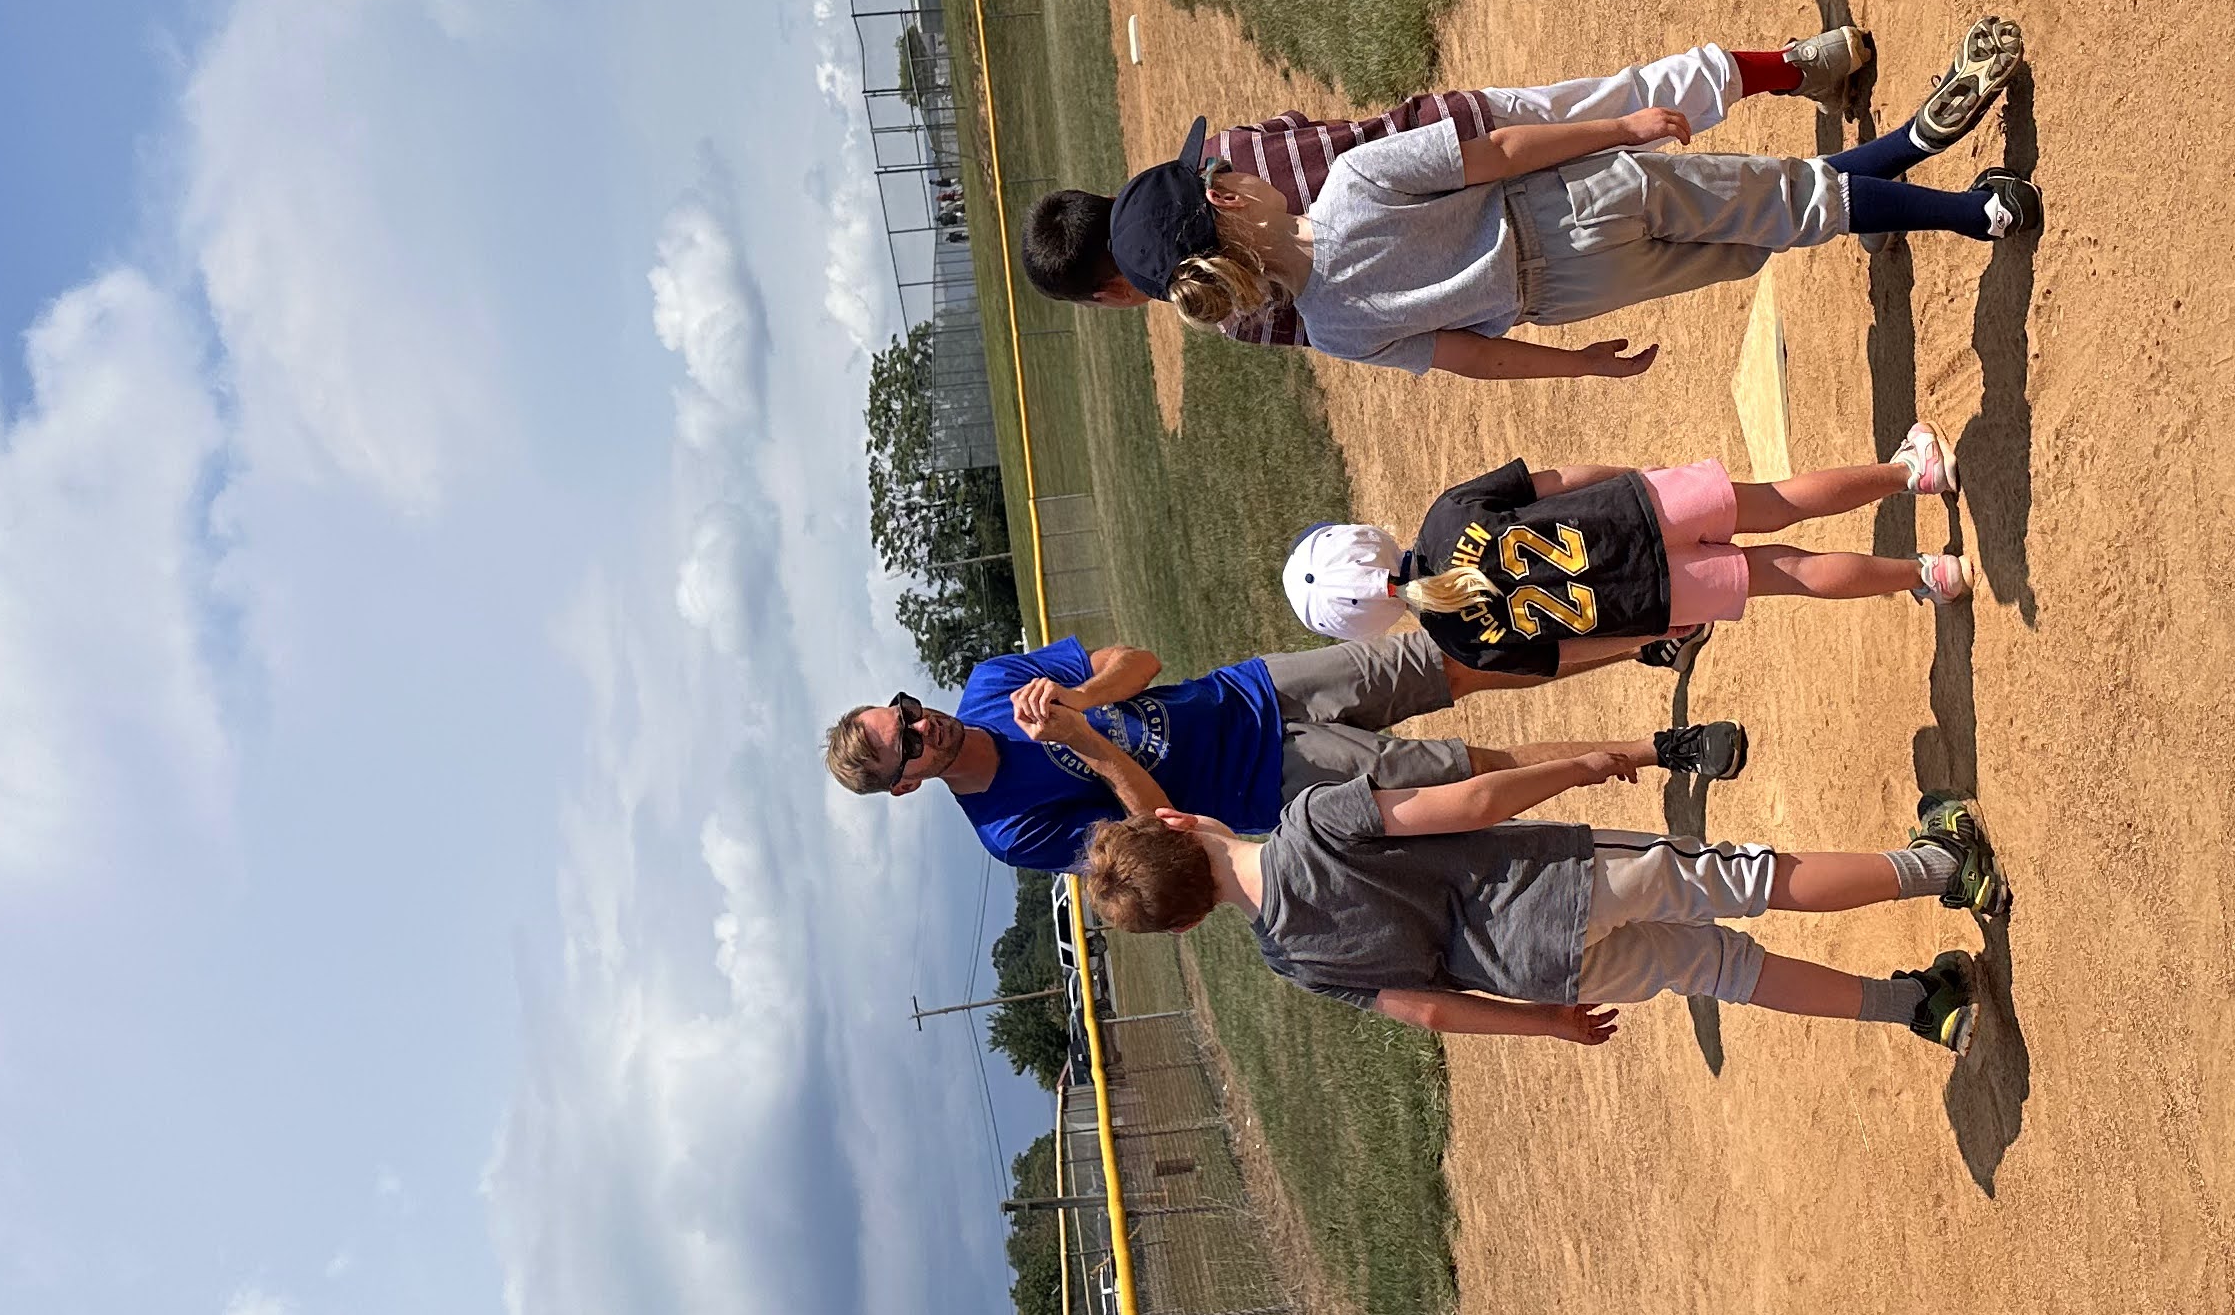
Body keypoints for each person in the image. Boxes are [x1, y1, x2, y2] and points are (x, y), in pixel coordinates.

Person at [1094, 68, 2040, 381]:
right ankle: (1976, 212)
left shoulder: (1329, 328)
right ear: (1229, 202)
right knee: (1781, 198)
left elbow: (1469, 356)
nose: (1240, 169)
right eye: (1223, 174)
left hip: (1571, 292)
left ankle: (1904, 150)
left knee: (1757, 229)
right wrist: (1623, 127)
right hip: (1575, 202)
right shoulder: (1351, 181)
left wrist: (1579, 364)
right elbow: (1503, 151)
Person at [1074, 743, 2013, 1050]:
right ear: (1177, 823)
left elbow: (1428, 1010)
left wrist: (1549, 1023)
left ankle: (1917, 1008)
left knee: (1724, 969)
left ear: (1189, 922)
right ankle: (1942, 867)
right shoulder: (1310, 824)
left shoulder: (1290, 959)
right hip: (1558, 882)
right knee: (1744, 879)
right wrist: (1577, 764)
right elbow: (1468, 803)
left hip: (1543, 971)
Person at [1014, 31, 1892, 347]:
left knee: (1680, 214)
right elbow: (1303, 124)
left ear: (1114, 293)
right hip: (1462, 133)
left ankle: (1842, 203)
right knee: (1628, 102)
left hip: (1508, 249)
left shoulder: (1228, 303)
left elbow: (1359, 323)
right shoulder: (1227, 153)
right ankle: (1798, 67)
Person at [819, 633, 1741, 876]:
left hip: (1254, 690)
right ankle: (1664, 749)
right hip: (1275, 781)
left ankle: (1644, 642)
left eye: (905, 710)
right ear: (905, 786)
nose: (923, 725)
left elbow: (1139, 662)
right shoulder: (1009, 829)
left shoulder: (991, 684)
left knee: (1445, 666)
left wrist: (1086, 699)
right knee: (1471, 769)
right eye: (907, 745)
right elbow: (1161, 836)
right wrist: (1088, 748)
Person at [1280, 421, 1982, 675]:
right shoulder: (1446, 517)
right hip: (1637, 509)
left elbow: (1566, 655)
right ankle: (1914, 473)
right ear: (1363, 538)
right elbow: (1560, 481)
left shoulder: (1462, 644)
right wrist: (1632, 478)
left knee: (1788, 573)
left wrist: (1650, 634)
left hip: (1649, 599)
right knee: (1777, 500)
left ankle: (1932, 574)